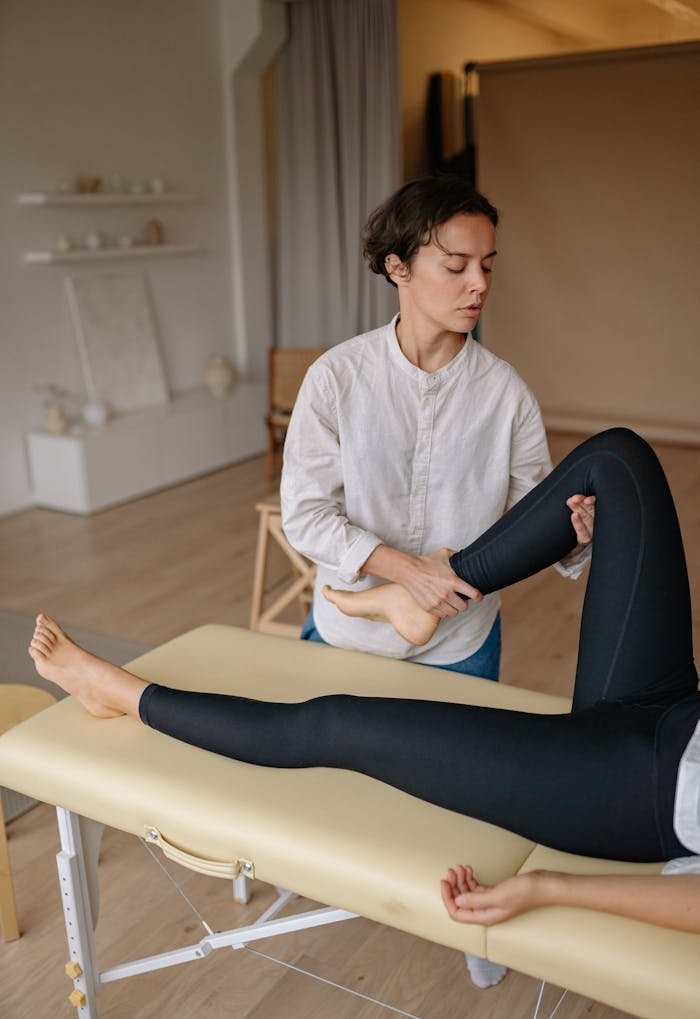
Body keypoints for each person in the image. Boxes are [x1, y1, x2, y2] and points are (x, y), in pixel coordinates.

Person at [28, 429, 699, 933]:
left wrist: (548, 887)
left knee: (337, 723)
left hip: (633, 790)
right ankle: (420, 596)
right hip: (675, 705)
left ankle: (115, 692)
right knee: (617, 461)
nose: (476, 283)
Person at [280, 173, 594, 681]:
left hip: (461, 645)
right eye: (456, 266)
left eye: (487, 266)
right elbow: (306, 515)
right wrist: (408, 574)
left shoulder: (505, 393)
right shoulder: (336, 378)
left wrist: (575, 537)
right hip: (346, 637)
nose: (480, 284)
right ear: (397, 267)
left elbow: (530, 517)